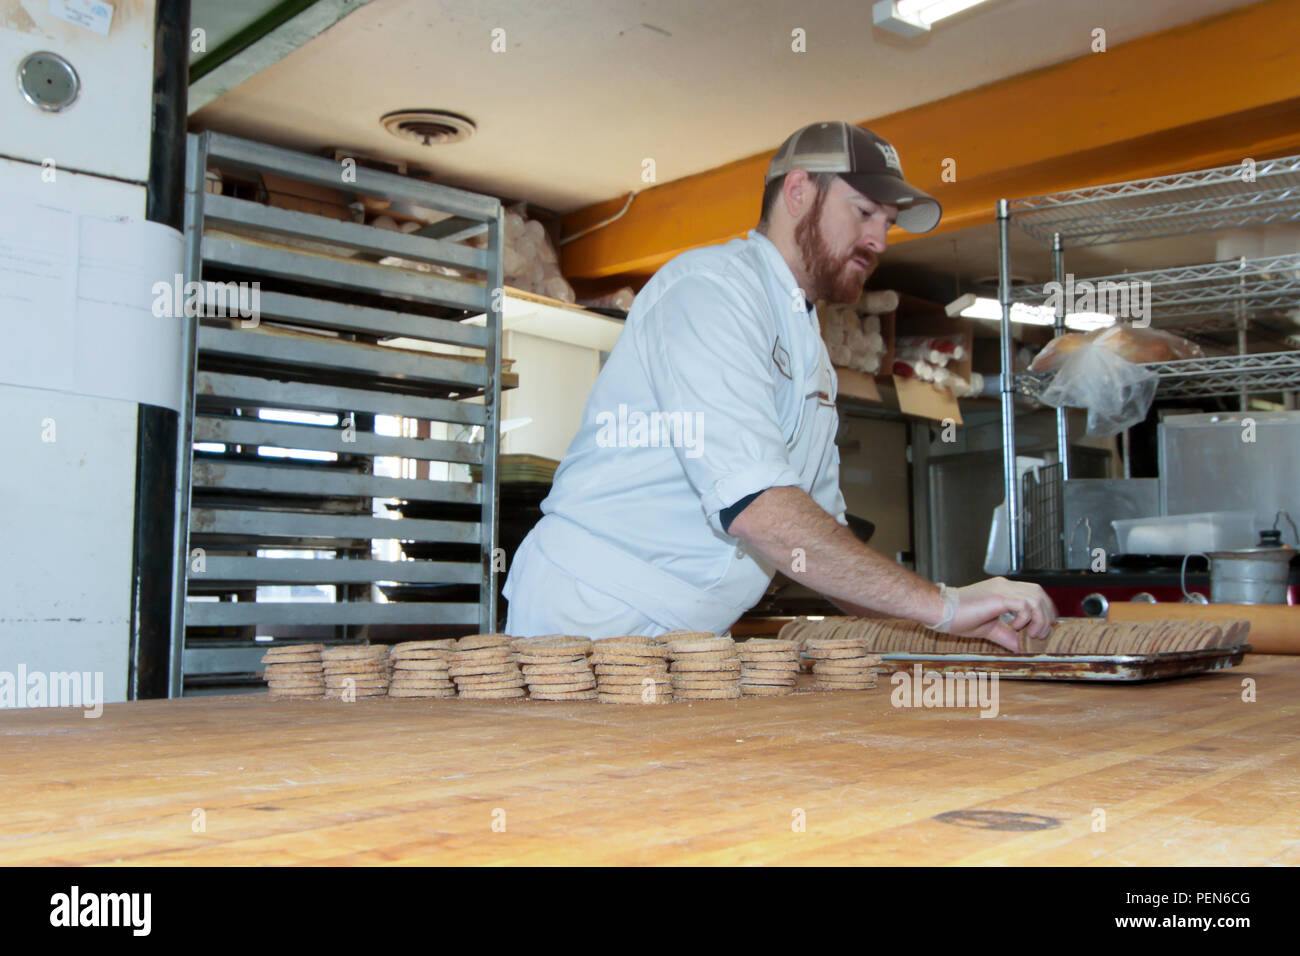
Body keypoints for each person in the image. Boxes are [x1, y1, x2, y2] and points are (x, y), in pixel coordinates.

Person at [504, 121, 1056, 648]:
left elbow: (823, 541)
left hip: (683, 632)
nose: (879, 240)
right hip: (591, 616)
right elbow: (759, 508)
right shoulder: (713, 293)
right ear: (797, 191)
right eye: (864, 212)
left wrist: (954, 613)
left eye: (886, 223)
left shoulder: (806, 343)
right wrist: (943, 606)